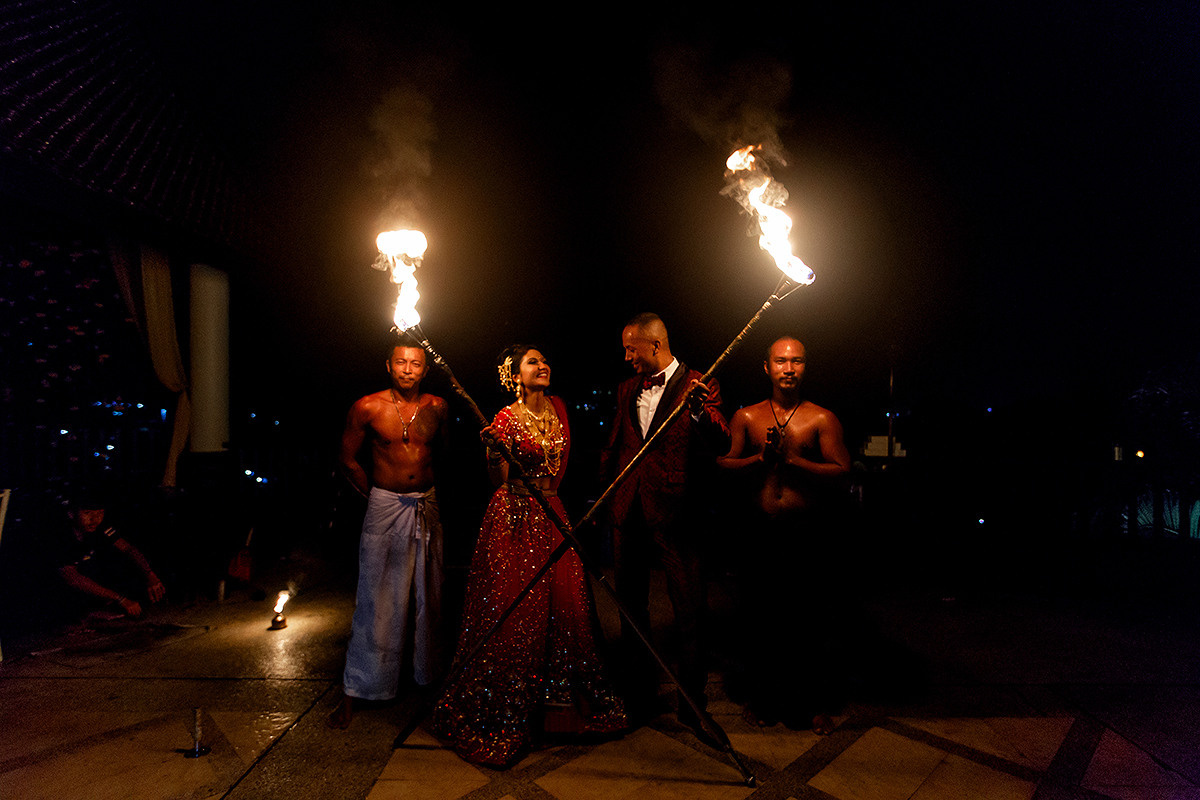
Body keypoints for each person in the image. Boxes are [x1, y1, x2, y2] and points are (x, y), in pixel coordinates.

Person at [431, 344, 626, 766]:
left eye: (544, 360)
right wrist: (493, 451)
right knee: (517, 611)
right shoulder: (504, 418)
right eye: (533, 362)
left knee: (566, 607)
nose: (543, 365)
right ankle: (507, 713)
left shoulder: (559, 407)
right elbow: (497, 479)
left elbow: (560, 467)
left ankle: (559, 711)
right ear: (515, 375)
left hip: (554, 513)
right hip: (515, 515)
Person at [598, 312, 729, 728]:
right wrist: (604, 498)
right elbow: (617, 443)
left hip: (678, 512)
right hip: (628, 508)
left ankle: (692, 702)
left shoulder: (700, 383)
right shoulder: (625, 389)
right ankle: (639, 695)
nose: (625, 356)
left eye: (630, 347)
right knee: (630, 607)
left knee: (688, 608)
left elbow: (721, 441)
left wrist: (697, 413)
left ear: (654, 345)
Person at [717, 336, 851, 733]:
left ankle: (811, 706)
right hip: (760, 533)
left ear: (805, 367)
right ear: (767, 367)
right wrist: (760, 459)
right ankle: (764, 699)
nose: (789, 369)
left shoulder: (821, 419)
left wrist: (794, 461)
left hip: (805, 534)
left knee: (808, 621)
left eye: (796, 362)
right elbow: (722, 463)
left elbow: (843, 470)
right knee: (761, 620)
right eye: (781, 362)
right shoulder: (746, 417)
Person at [329, 335, 450, 729]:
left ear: (425, 369)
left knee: (429, 595)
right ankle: (359, 688)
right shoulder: (367, 406)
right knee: (375, 596)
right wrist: (376, 495)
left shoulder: (438, 407)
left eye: (416, 364)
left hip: (426, 503)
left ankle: (427, 680)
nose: (408, 370)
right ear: (388, 365)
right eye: (401, 362)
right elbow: (347, 459)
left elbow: (443, 454)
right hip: (385, 505)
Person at [57, 496, 166, 619]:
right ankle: (82, 616)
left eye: (100, 513)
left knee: (126, 570)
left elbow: (128, 549)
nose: (94, 519)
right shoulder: (62, 535)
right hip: (54, 590)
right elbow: (72, 578)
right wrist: (120, 599)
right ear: (71, 514)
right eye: (87, 513)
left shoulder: (99, 527)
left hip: (89, 578)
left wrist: (150, 575)